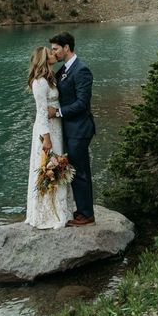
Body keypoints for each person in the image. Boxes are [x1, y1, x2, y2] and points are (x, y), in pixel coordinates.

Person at [48, 32, 96, 226]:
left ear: (66, 48)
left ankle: (87, 215)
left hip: (80, 129)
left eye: (56, 49)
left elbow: (82, 104)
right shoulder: (65, 70)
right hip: (70, 129)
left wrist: (58, 112)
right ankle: (82, 210)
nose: (54, 53)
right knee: (74, 170)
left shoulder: (82, 70)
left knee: (81, 171)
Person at [25, 46, 74, 229]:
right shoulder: (40, 82)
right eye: (50, 53)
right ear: (44, 59)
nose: (54, 55)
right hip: (47, 130)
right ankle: (50, 214)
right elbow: (41, 112)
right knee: (48, 167)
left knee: (58, 166)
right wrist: (46, 138)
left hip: (57, 127)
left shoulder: (50, 79)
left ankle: (62, 210)